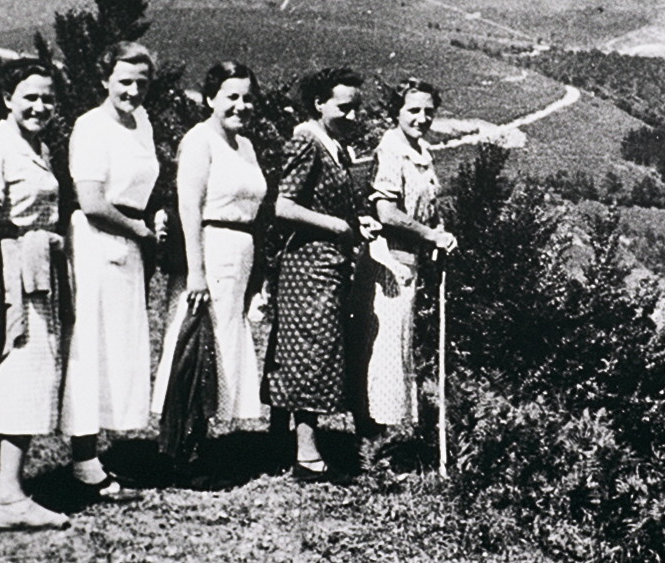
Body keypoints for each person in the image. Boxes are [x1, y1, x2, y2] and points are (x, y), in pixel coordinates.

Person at [0, 61, 70, 531]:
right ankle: (11, 498)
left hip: (32, 267)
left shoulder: (36, 148)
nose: (40, 106)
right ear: (8, 98)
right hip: (11, 276)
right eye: (30, 97)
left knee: (0, 375)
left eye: (47, 98)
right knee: (23, 375)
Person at [262, 67, 380, 482]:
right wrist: (337, 226)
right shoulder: (305, 141)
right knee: (310, 352)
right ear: (319, 104)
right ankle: (306, 454)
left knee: (307, 349)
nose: (352, 116)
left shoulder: (334, 147)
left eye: (355, 109)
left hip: (327, 263)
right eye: (343, 107)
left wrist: (355, 223)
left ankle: (280, 440)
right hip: (307, 264)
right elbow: (283, 205)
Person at [60, 41, 162, 502]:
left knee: (120, 348)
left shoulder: (142, 123)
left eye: (142, 82)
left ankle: (102, 451)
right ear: (105, 79)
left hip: (131, 241)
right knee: (92, 344)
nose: (133, 91)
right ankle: (83, 460)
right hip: (98, 242)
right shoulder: (91, 126)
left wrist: (150, 221)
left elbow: (142, 185)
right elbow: (92, 201)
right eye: (125, 81)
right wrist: (138, 229)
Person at [151, 61, 267, 436]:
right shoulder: (199, 139)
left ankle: (202, 437)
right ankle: (182, 444)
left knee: (224, 340)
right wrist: (195, 273)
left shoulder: (246, 145)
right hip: (209, 248)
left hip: (240, 253)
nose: (240, 105)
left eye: (248, 98)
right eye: (231, 96)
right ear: (209, 98)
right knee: (197, 341)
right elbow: (189, 206)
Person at [362, 78, 457, 433]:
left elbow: (426, 208)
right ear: (396, 112)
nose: (421, 118)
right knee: (387, 345)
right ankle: (376, 433)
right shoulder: (391, 149)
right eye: (413, 110)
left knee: (400, 343)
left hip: (410, 258)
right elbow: (387, 212)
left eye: (428, 111)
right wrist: (429, 233)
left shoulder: (422, 152)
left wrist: (439, 232)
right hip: (388, 258)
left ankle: (390, 429)